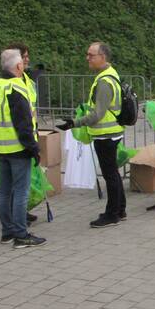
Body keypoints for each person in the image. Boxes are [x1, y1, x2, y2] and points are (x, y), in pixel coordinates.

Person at [57, 42, 126, 227]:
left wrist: (74, 123)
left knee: (109, 174)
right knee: (113, 173)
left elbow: (98, 114)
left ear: (102, 57)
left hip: (106, 134)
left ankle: (112, 215)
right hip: (110, 133)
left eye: (91, 55)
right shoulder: (110, 74)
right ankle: (120, 209)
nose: (87, 58)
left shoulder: (104, 81)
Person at [0, 48, 45, 247]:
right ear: (19, 66)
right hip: (18, 148)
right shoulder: (16, 89)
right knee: (21, 193)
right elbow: (24, 124)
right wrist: (33, 149)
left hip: (0, 148)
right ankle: (21, 235)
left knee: (5, 192)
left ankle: (7, 232)